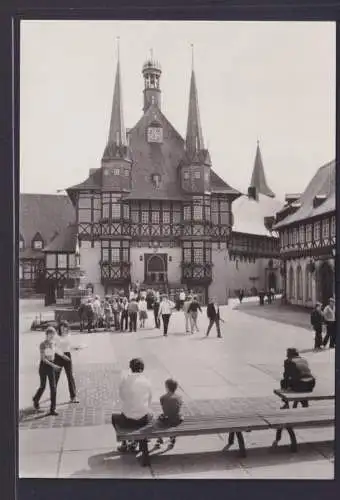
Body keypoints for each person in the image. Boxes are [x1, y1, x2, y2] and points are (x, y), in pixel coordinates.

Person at [111, 358, 152, 462]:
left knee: (114, 417)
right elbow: (149, 400)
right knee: (150, 414)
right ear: (142, 369)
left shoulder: (125, 380)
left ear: (131, 368)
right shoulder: (147, 381)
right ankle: (136, 442)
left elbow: (122, 397)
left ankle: (124, 443)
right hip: (143, 419)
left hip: (128, 420)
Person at [32, 327, 61, 416]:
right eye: (51, 334)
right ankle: (36, 399)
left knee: (53, 387)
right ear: (47, 334)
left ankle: (53, 409)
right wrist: (54, 366)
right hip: (44, 367)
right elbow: (43, 359)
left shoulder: (53, 343)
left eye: (53, 334)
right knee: (43, 386)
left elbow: (56, 353)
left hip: (51, 366)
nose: (52, 336)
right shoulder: (42, 344)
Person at [54, 321, 79, 403]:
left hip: (67, 356)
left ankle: (73, 397)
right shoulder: (56, 336)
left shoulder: (68, 335)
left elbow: (69, 346)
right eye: (62, 327)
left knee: (70, 376)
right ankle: (52, 395)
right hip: (58, 357)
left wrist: (75, 347)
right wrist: (62, 355)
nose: (63, 329)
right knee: (56, 377)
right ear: (59, 328)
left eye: (65, 327)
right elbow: (55, 348)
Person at [155, 378, 183, 449]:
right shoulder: (179, 397)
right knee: (178, 416)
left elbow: (164, 408)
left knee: (158, 421)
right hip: (177, 420)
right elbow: (179, 405)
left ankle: (159, 438)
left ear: (167, 387)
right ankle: (172, 438)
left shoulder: (162, 397)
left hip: (167, 420)